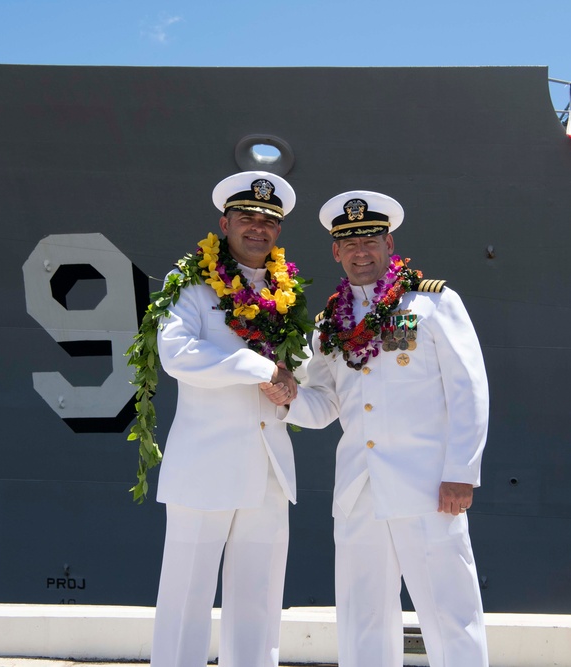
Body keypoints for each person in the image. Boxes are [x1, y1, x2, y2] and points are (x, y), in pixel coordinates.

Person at [265, 190, 490, 667]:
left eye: (370, 240)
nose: (360, 252)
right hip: (358, 489)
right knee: (361, 614)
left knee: (450, 610)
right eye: (349, 244)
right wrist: (288, 400)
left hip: (429, 485)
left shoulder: (432, 303)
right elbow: (325, 404)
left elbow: (469, 389)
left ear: (389, 243)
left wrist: (462, 472)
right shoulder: (328, 326)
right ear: (335, 251)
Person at [147, 171, 308, 667]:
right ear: (224, 223)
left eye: (267, 221)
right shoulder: (192, 290)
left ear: (277, 232)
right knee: (186, 596)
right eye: (246, 218)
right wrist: (262, 367)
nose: (257, 228)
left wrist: (296, 387)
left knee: (260, 600)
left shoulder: (289, 296)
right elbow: (176, 354)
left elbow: (299, 369)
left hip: (267, 469)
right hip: (205, 467)